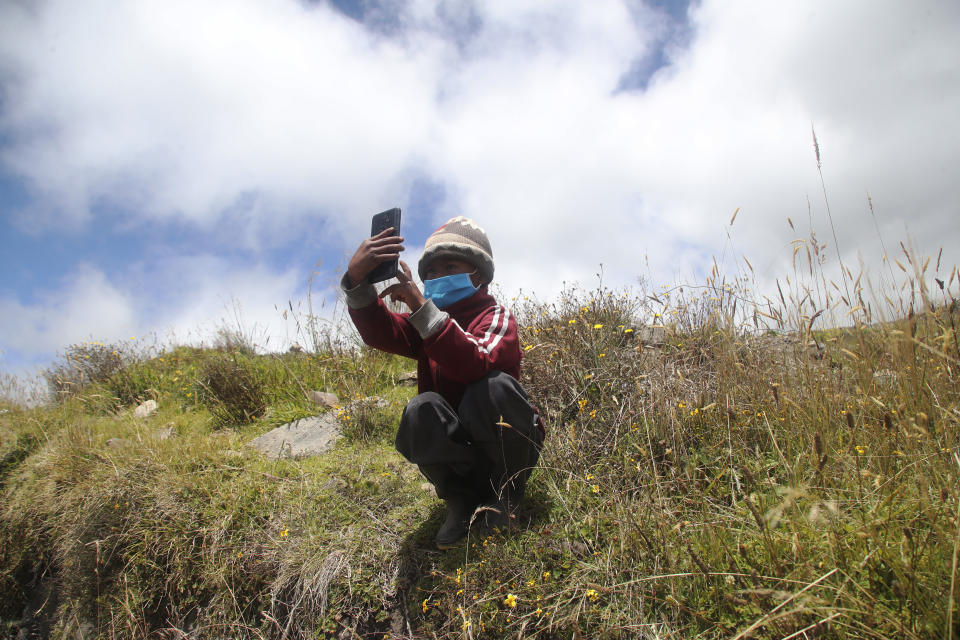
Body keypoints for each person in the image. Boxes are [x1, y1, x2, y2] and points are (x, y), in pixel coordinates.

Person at [341, 216, 544, 549]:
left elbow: (476, 362)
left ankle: (505, 495)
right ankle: (460, 502)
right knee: (421, 409)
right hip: (461, 456)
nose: (436, 277)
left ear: (476, 274)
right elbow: (379, 331)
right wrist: (356, 279)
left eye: (449, 266)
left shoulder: (496, 316)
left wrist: (422, 307)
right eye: (430, 272)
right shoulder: (424, 323)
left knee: (493, 387)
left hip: (504, 451)